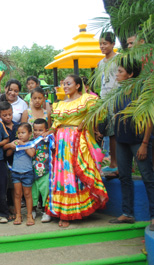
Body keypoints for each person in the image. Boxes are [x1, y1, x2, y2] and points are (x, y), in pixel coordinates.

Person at [43, 74, 108, 228]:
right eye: (64, 84)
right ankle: (63, 211)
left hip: (77, 139)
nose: (65, 87)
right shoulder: (60, 104)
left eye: (68, 84)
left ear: (78, 85)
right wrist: (49, 131)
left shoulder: (87, 99)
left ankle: (75, 210)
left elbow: (98, 113)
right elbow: (57, 123)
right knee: (62, 174)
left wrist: (85, 122)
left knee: (75, 173)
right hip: (61, 141)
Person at [108, 58, 154, 230]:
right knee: (124, 177)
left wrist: (144, 143)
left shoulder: (142, 93)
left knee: (148, 177)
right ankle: (127, 214)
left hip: (138, 140)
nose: (117, 75)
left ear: (131, 74)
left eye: (120, 72)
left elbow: (149, 119)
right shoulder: (118, 93)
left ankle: (153, 216)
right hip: (122, 140)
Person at [5, 123, 36, 226]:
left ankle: (29, 215)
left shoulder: (31, 143)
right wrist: (11, 146)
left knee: (27, 194)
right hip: (16, 172)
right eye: (19, 133)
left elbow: (32, 154)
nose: (21, 135)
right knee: (17, 194)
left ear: (30, 134)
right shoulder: (15, 142)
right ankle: (18, 215)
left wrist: (24, 145)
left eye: (23, 132)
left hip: (27, 172)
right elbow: (8, 153)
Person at [98, 32, 119, 177]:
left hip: (117, 99)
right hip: (103, 100)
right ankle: (97, 163)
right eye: (101, 44)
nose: (102, 46)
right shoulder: (100, 63)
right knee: (100, 132)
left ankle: (115, 164)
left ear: (113, 44)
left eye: (105, 43)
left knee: (114, 134)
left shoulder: (120, 59)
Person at [0, 101, 20, 220]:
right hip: (3, 160)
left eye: (10, 114)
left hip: (17, 160)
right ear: (0, 115)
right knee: (5, 186)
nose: (8, 117)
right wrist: (9, 146)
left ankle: (14, 208)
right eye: (5, 115)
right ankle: (5, 208)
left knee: (14, 186)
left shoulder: (18, 126)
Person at [31, 118, 52, 223]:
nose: (37, 132)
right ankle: (33, 210)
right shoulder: (30, 142)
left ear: (46, 130)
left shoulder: (49, 141)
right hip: (33, 172)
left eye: (40, 130)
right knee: (33, 193)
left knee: (45, 192)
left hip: (45, 171)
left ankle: (46, 211)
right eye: (35, 130)